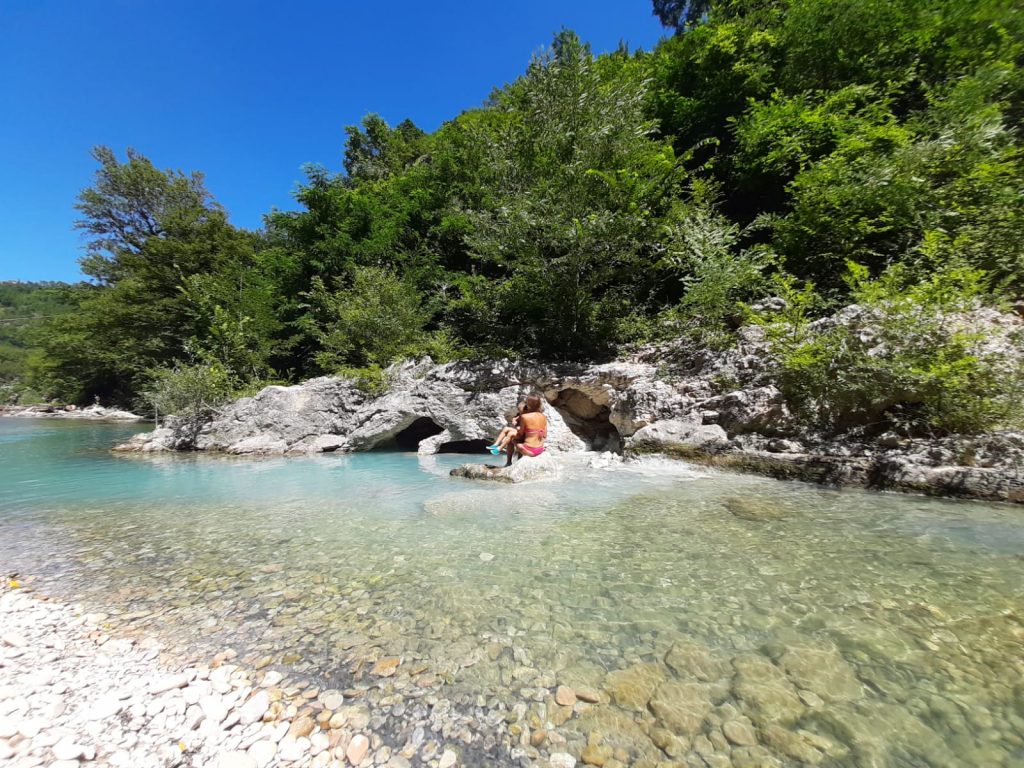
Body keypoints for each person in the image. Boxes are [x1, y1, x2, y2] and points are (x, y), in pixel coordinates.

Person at [503, 393, 547, 467]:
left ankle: (509, 462)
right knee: (521, 439)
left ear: (527, 406)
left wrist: (516, 427)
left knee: (511, 439)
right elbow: (545, 435)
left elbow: (521, 434)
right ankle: (517, 461)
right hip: (540, 448)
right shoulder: (542, 416)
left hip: (529, 449)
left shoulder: (525, 417)